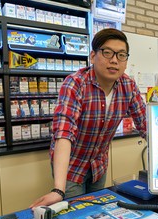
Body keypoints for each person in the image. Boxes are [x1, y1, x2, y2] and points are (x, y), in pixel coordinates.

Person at [30, 28, 147, 209]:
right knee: (76, 215)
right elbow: (63, 134)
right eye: (107, 53)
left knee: (96, 212)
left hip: (99, 165)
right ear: (93, 56)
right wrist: (58, 190)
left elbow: (145, 124)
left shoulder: (128, 86)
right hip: (71, 167)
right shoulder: (75, 83)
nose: (114, 60)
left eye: (121, 55)